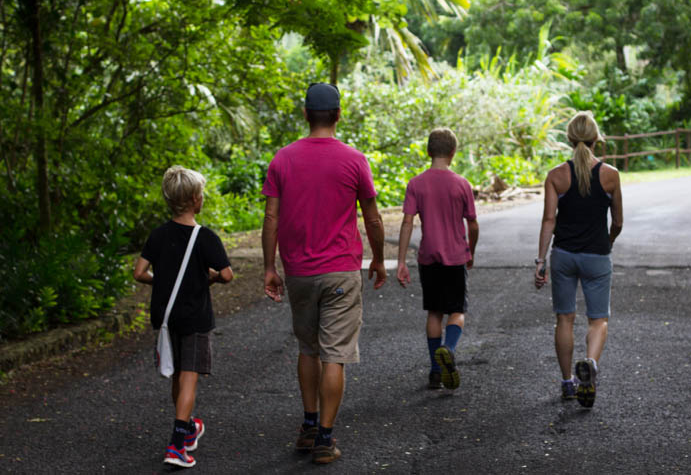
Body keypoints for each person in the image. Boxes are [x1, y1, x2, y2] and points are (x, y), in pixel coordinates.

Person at [261, 82, 386, 465]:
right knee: (335, 354)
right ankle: (325, 439)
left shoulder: (283, 159)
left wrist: (269, 267)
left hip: (298, 271)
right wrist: (379, 258)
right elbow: (372, 215)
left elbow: (271, 217)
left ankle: (309, 424)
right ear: (338, 115)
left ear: (305, 114)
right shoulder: (354, 159)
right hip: (341, 272)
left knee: (308, 348)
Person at [133, 165, 234, 468]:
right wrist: (210, 279)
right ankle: (177, 445)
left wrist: (160, 281)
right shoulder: (205, 237)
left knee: (176, 374)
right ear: (194, 199)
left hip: (165, 316)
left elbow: (139, 272)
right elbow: (227, 275)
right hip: (194, 316)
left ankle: (188, 428)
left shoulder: (159, 234)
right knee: (189, 377)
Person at [535, 111, 623, 408]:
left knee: (565, 318)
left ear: (570, 139)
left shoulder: (556, 176)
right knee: (598, 320)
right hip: (597, 255)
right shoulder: (610, 175)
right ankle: (590, 364)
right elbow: (618, 222)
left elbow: (549, 220)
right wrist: (606, 242)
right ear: (597, 138)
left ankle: (567, 382)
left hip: (564, 256)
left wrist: (540, 261)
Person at [397, 127, 479, 391]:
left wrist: (400, 261)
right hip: (455, 256)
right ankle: (449, 349)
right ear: (453, 152)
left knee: (434, 311)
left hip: (428, 256)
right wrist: (471, 251)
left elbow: (407, 223)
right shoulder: (462, 184)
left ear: (428, 151)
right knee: (457, 311)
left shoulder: (416, 184)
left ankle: (435, 371)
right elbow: (473, 224)